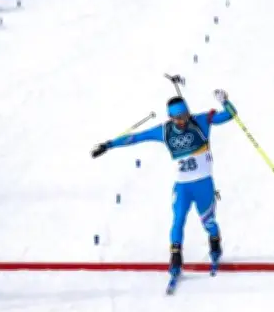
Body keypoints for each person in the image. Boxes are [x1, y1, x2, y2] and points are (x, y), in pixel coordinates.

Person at [91, 86, 236, 276]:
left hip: (203, 184)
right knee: (177, 221)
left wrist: (225, 101)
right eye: (179, 118)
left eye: (185, 115)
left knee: (208, 222)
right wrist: (109, 145)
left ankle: (215, 243)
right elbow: (136, 138)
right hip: (183, 186)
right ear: (171, 118)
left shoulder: (200, 121)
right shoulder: (165, 131)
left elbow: (230, 115)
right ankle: (176, 258)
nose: (183, 121)